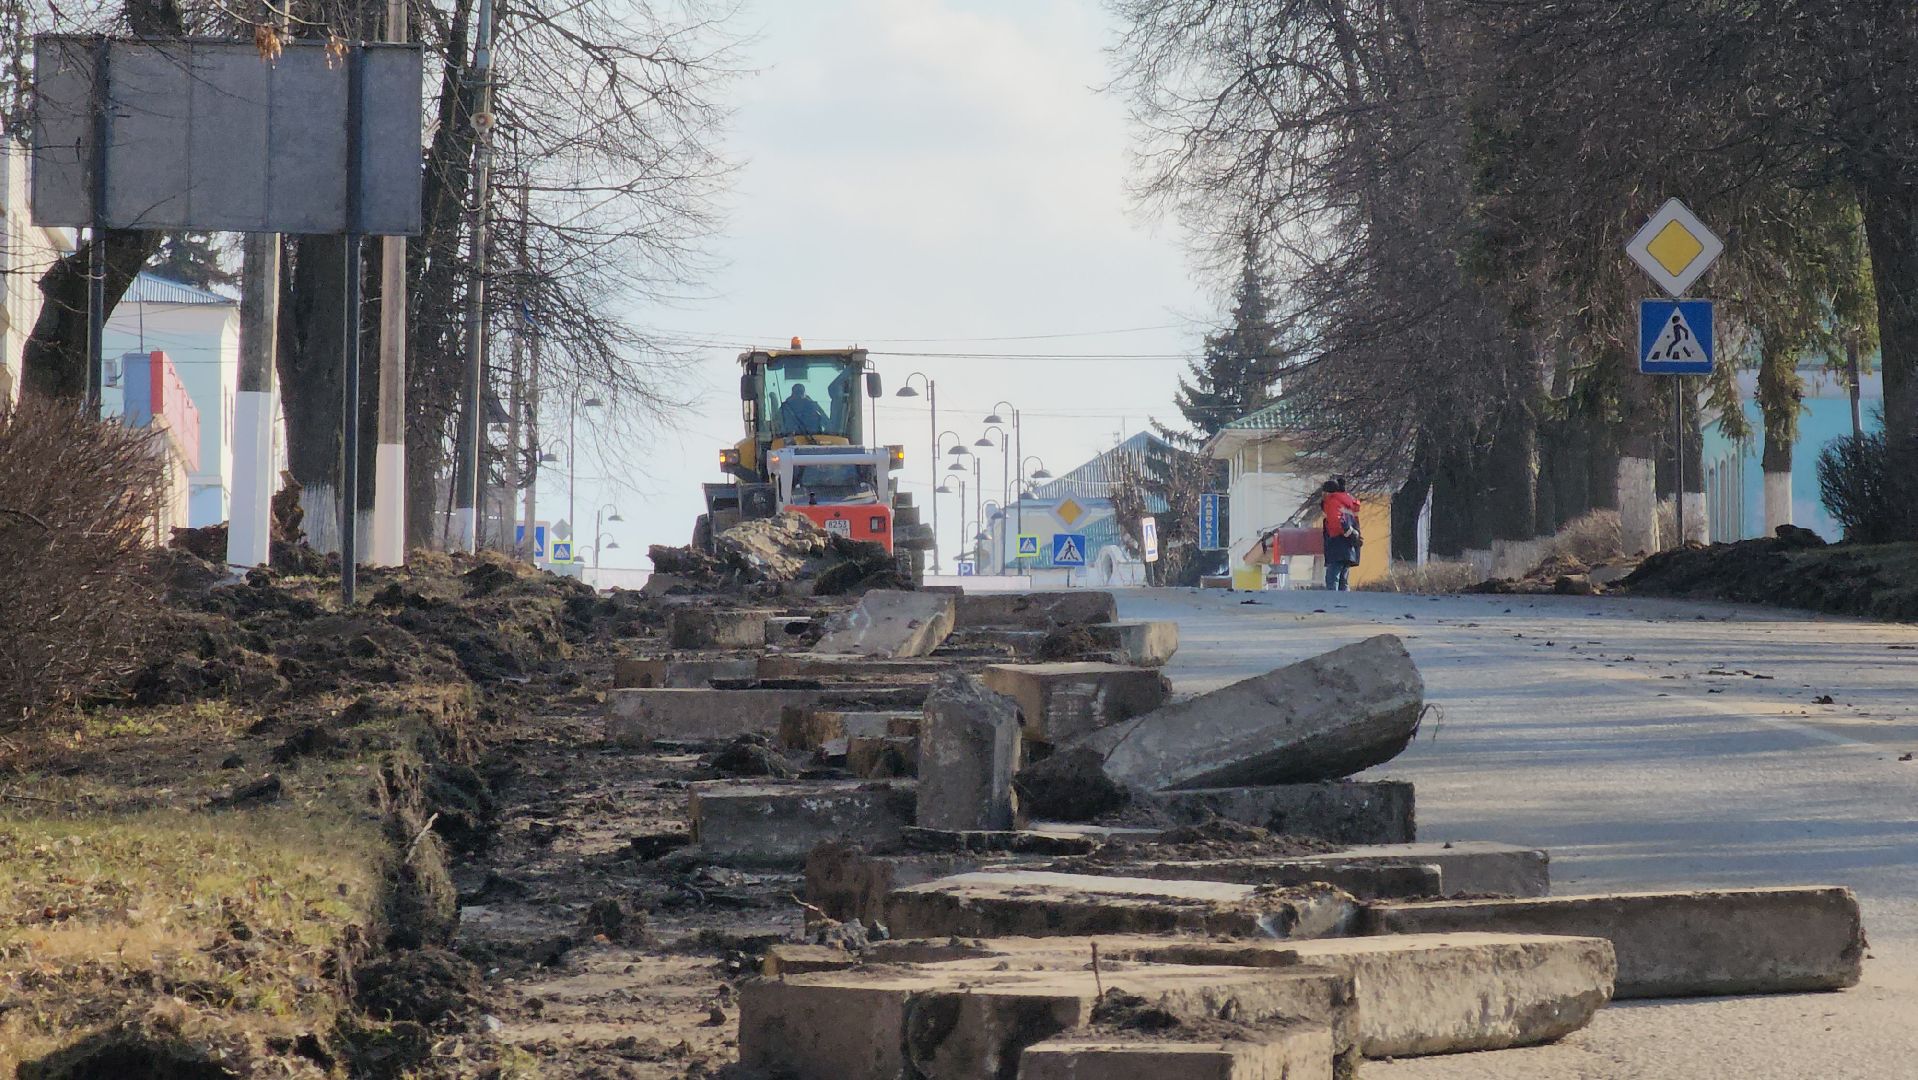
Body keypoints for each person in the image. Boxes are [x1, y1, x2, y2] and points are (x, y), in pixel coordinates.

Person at [1320, 478, 1361, 591]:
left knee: (1332, 578)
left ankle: (1333, 603)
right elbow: (1354, 523)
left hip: (1337, 544)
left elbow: (1335, 522)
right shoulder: (1347, 502)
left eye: (1323, 492)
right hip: (1350, 546)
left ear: (1328, 492)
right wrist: (1353, 536)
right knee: (1344, 579)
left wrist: (1343, 533)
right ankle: (1345, 604)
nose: (1322, 495)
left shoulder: (1332, 501)